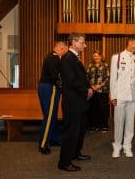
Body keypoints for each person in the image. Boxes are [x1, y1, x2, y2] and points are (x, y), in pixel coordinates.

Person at [58, 33, 93, 172]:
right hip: (73, 102)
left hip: (78, 101)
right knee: (71, 132)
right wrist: (87, 90)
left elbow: (81, 77)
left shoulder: (74, 58)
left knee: (79, 131)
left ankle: (75, 153)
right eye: (82, 42)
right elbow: (71, 81)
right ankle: (64, 162)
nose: (85, 45)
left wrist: (88, 87)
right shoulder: (68, 58)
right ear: (74, 42)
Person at [38, 41, 68, 155]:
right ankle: (43, 144)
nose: (66, 53)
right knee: (49, 117)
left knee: (53, 116)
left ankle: (53, 139)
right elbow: (55, 76)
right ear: (61, 48)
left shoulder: (54, 57)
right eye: (65, 50)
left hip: (50, 87)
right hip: (49, 88)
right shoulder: (53, 58)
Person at [86, 50, 110, 132]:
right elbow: (87, 77)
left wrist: (100, 85)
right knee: (93, 108)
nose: (96, 57)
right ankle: (94, 126)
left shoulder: (105, 65)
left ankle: (104, 126)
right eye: (94, 56)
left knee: (103, 108)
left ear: (101, 56)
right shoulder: (90, 66)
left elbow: (108, 78)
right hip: (92, 90)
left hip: (103, 90)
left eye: (97, 56)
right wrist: (91, 86)